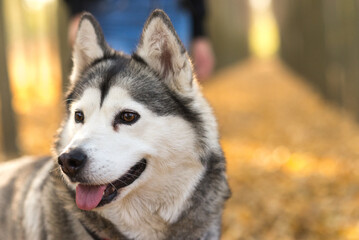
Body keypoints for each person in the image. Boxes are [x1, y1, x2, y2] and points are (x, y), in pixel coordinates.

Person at [65, 0, 214, 81]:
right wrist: (76, 10)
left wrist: (199, 33)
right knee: (114, 93)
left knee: (169, 98)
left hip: (175, 11)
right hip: (111, 15)